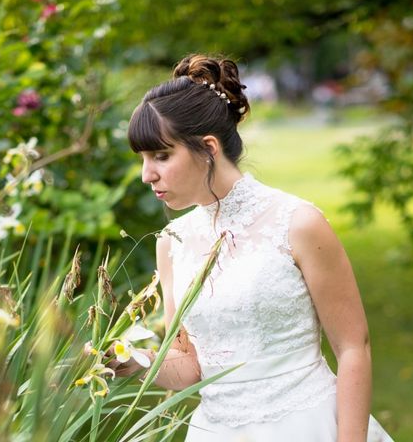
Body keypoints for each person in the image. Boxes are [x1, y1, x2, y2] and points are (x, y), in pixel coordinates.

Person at [116, 54, 394, 441]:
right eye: (144, 159)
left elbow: (352, 347)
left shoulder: (297, 223)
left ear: (209, 147)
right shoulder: (172, 244)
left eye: (161, 156)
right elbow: (191, 366)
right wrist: (137, 360)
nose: (148, 174)